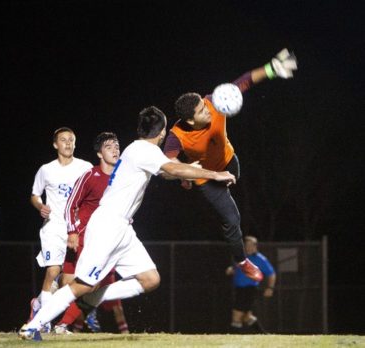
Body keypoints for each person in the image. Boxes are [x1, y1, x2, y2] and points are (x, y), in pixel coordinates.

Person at [19, 106, 236, 340]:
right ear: (162, 133)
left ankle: (93, 298)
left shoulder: (138, 149)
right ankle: (34, 325)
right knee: (81, 285)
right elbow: (171, 167)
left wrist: (186, 172)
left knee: (150, 278)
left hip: (122, 229)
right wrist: (214, 174)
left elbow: (165, 172)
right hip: (108, 226)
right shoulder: (144, 150)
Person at [163, 48, 297, 280]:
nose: (208, 108)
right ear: (189, 120)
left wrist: (271, 68)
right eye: (202, 111)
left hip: (230, 163)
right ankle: (243, 261)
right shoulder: (176, 136)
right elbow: (166, 166)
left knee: (238, 185)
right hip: (206, 178)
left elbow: (244, 82)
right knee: (232, 219)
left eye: (206, 105)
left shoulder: (214, 101)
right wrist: (184, 174)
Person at [53, 132, 129, 334]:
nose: (115, 149)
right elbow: (70, 205)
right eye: (109, 146)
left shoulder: (123, 179)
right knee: (67, 286)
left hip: (104, 242)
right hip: (81, 238)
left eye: (117, 145)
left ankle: (61, 325)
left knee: (91, 286)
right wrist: (72, 232)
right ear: (99, 153)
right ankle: (43, 315)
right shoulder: (90, 175)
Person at [29, 127, 92, 331]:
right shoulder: (46, 169)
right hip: (54, 227)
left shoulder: (85, 167)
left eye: (71, 140)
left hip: (77, 229)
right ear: (55, 144)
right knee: (53, 269)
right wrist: (40, 206)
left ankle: (39, 305)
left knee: (68, 281)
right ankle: (44, 323)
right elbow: (34, 195)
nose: (68, 143)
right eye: (63, 140)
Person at [225, 236, 276, 333]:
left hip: (249, 290)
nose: (248, 247)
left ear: (255, 246)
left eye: (250, 245)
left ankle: (233, 339)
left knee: (236, 315)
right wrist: (231, 270)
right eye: (246, 245)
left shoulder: (260, 259)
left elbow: (271, 274)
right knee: (246, 317)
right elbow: (236, 269)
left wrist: (270, 288)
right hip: (239, 289)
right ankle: (263, 334)